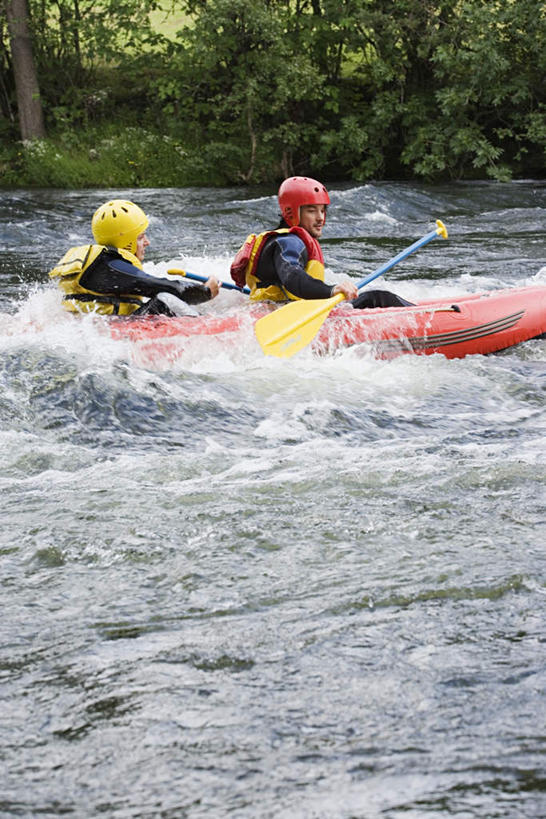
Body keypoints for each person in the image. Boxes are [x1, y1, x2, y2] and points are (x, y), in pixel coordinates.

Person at [230, 176, 412, 309]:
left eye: (322, 211)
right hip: (287, 316)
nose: (320, 218)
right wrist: (332, 290)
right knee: (378, 298)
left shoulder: (279, 239)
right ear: (291, 212)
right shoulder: (289, 242)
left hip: (280, 310)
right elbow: (293, 277)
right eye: (311, 211)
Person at [49, 199, 220, 316]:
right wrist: (206, 291)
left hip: (102, 328)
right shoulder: (110, 267)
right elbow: (162, 287)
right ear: (126, 241)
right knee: (166, 299)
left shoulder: (101, 264)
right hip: (113, 333)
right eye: (140, 237)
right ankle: (211, 329)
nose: (147, 242)